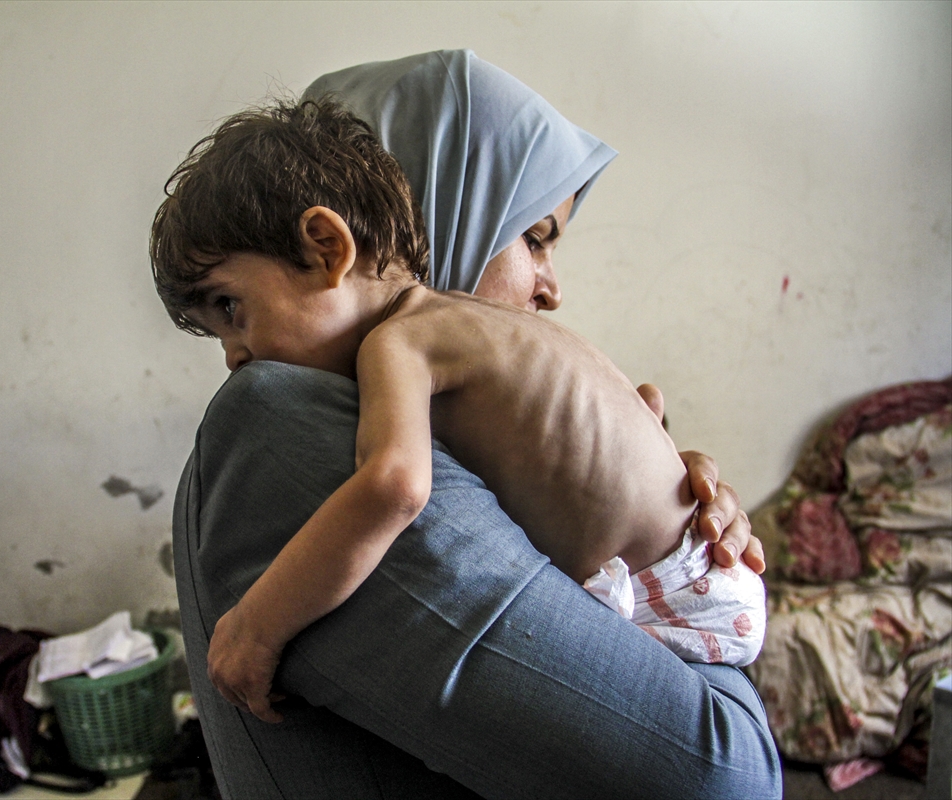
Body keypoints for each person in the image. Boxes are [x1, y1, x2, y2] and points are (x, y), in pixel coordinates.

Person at [163, 50, 780, 799]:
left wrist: (670, 502)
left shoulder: (413, 368)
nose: (551, 289)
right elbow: (724, 778)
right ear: (438, 204)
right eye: (535, 236)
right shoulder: (282, 419)